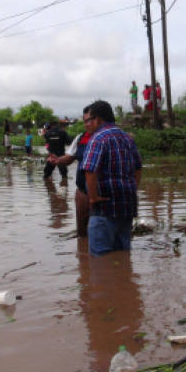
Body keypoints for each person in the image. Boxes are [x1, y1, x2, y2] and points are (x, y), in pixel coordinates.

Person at [81, 100, 142, 256]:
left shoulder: (98, 138)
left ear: (98, 119)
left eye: (90, 120)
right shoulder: (127, 138)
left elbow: (90, 170)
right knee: (122, 256)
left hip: (104, 208)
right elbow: (138, 168)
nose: (88, 124)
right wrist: (132, 189)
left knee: (100, 261)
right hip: (126, 207)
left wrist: (93, 198)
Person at [46, 104, 96, 237]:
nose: (87, 124)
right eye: (85, 121)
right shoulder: (80, 137)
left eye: (90, 120)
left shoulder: (109, 138)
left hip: (104, 194)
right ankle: (84, 254)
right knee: (83, 233)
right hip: (83, 192)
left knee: (99, 234)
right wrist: (58, 160)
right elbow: (69, 157)